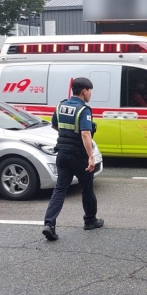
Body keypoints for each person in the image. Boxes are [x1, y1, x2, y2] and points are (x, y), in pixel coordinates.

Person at [42, 77, 103, 241]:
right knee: (87, 189)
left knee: (60, 190)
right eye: (90, 91)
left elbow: (54, 125)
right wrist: (91, 157)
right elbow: (85, 133)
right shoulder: (84, 110)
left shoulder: (61, 105)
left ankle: (49, 224)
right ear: (84, 91)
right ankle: (90, 220)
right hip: (79, 157)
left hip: (62, 155)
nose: (90, 94)